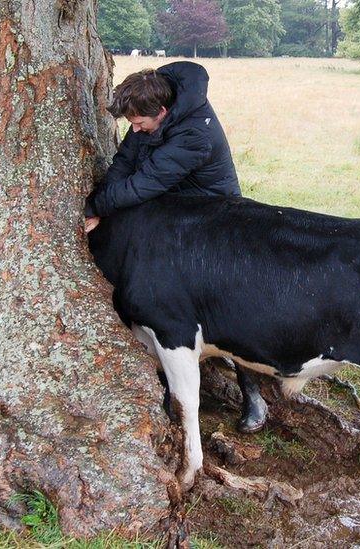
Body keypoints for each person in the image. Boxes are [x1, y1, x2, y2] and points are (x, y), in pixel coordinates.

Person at [84, 61, 267, 433]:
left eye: (139, 124)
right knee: (169, 305)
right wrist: (99, 200)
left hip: (213, 218)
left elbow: (143, 184)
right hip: (173, 213)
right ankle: (172, 383)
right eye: (130, 124)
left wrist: (96, 207)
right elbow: (125, 162)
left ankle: (253, 392)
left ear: (163, 113)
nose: (134, 131)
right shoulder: (151, 107)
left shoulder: (193, 134)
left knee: (226, 308)